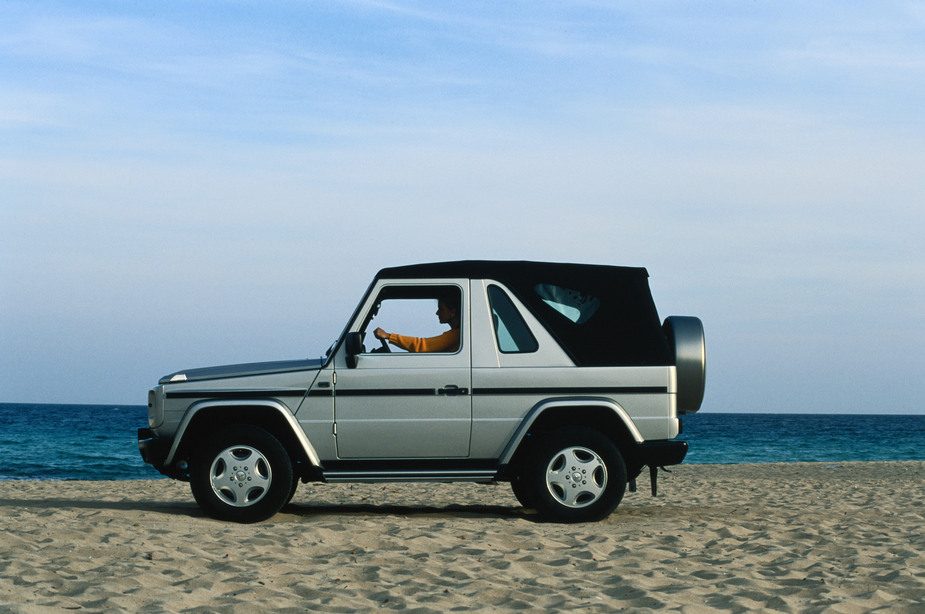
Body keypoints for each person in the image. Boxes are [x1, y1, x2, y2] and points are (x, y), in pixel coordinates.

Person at [374, 293, 461, 352]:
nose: (437, 313)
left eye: (441, 309)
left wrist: (388, 336)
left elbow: (422, 345)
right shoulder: (457, 334)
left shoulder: (455, 335)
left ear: (452, 312)